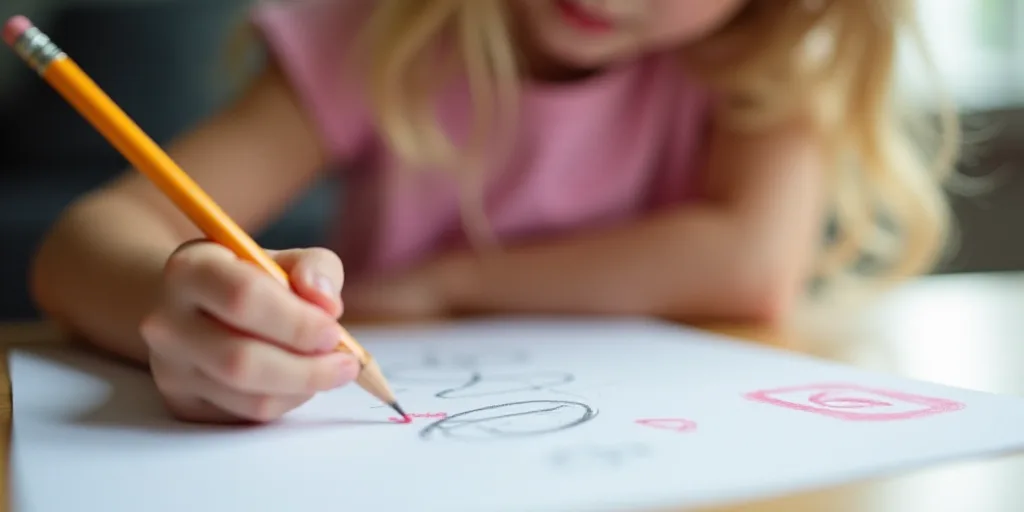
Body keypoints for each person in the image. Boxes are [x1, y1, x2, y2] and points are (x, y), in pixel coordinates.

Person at [29, 0, 960, 424]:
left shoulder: (763, 56)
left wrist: (444, 284)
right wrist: (184, 302)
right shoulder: (382, 28)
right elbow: (78, 249)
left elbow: (749, 262)